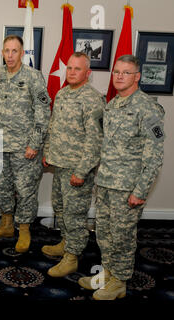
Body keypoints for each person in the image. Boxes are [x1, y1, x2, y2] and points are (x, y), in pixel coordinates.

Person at [78, 55, 165, 300]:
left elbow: (154, 155)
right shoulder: (113, 104)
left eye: (125, 73)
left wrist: (141, 190)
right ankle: (107, 273)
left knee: (123, 236)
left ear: (137, 77)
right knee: (104, 233)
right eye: (116, 72)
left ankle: (120, 282)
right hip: (105, 182)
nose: (119, 76)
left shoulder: (147, 108)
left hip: (127, 187)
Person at [0, 35, 50, 253]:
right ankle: (6, 225)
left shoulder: (34, 76)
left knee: (25, 191)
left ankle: (24, 229)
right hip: (0, 146)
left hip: (25, 148)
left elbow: (43, 112)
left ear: (22, 53)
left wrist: (34, 144)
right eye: (6, 51)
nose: (10, 55)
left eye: (14, 51)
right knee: (1, 189)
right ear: (2, 53)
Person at [42, 52, 105, 277]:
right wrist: (47, 152)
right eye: (69, 68)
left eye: (77, 69)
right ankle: (66, 243)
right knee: (61, 208)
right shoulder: (62, 94)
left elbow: (95, 141)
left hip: (77, 169)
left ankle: (72, 257)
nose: (71, 72)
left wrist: (81, 171)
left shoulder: (92, 99)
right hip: (59, 163)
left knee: (75, 214)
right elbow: (53, 127)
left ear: (87, 73)